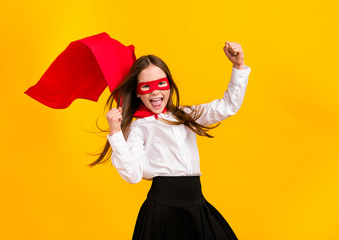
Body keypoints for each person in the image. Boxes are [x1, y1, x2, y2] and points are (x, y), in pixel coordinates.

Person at [89, 41, 251, 240]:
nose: (155, 91)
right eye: (146, 86)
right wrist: (116, 133)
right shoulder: (139, 127)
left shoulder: (187, 115)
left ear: (169, 85)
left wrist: (238, 66)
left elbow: (228, 106)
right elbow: (132, 175)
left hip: (195, 203)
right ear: (138, 92)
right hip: (161, 211)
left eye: (161, 84)